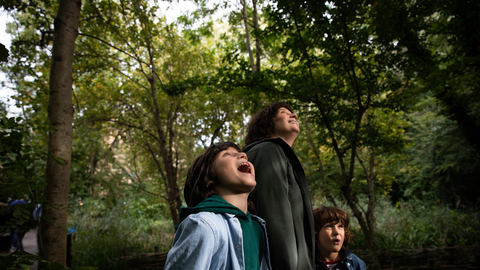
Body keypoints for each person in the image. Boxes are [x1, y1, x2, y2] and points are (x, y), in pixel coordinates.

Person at [164, 141, 272, 270]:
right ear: (210, 177)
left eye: (241, 154)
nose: (243, 155)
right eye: (227, 154)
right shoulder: (203, 225)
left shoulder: (257, 227)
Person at [242, 101, 315, 270]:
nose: (294, 115)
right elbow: (274, 218)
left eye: (293, 113)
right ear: (267, 124)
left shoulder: (280, 155)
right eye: (284, 112)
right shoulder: (269, 151)